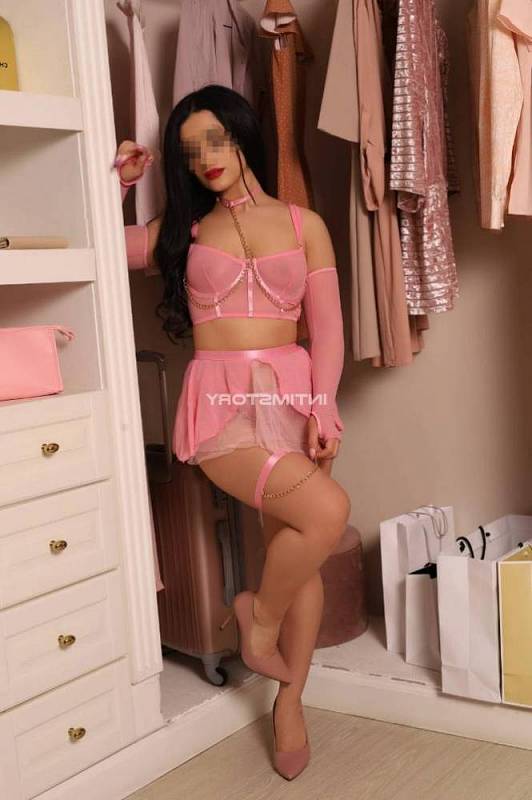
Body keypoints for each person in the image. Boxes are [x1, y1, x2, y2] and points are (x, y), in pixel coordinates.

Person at [115, 84, 351, 780]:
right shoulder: (180, 231)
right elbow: (98, 247)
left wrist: (325, 406)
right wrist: (116, 184)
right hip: (221, 408)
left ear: (244, 135)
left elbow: (328, 328)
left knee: (297, 549)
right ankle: (257, 620)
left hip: (296, 398)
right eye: (191, 151)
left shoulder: (305, 224)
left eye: (216, 139)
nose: (206, 158)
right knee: (326, 515)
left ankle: (289, 702)